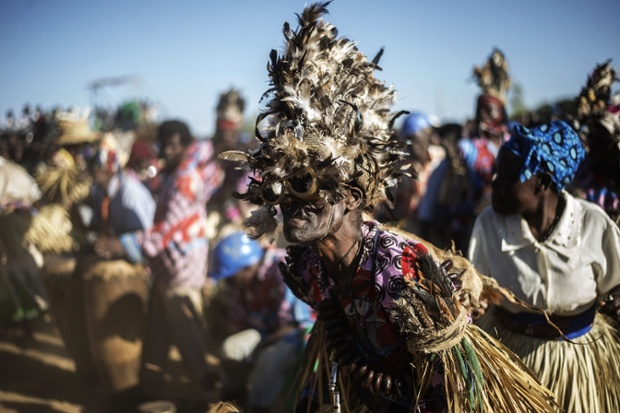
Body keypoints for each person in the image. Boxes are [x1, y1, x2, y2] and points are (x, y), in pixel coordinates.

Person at [221, 3, 558, 412]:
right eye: (281, 189)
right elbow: (332, 353)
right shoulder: (308, 266)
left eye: (305, 186)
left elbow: (453, 386)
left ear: (352, 198)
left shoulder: (400, 271)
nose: (291, 203)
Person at [468, 120, 620, 412]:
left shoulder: (592, 223)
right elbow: (474, 291)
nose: (494, 182)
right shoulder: (488, 224)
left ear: (542, 183)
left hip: (580, 364)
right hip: (512, 363)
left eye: (507, 175)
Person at [96, 119, 224, 400]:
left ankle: (210, 401)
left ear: (186, 145)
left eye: (172, 144)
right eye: (162, 144)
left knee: (188, 339)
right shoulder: (176, 174)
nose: (165, 150)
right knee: (157, 335)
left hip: (181, 271)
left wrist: (124, 243)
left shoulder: (185, 180)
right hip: (167, 268)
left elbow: (168, 231)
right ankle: (150, 395)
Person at [208, 232, 313, 413]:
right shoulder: (241, 283)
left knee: (269, 360)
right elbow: (240, 321)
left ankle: (258, 408)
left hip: (296, 333)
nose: (228, 283)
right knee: (230, 348)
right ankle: (233, 405)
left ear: (246, 268)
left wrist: (262, 346)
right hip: (266, 332)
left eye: (230, 278)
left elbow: (292, 325)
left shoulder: (282, 269)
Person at [88, 139, 156, 262]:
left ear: (110, 169)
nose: (94, 171)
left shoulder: (130, 192)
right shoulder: (101, 193)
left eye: (98, 166)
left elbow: (150, 233)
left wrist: (121, 244)